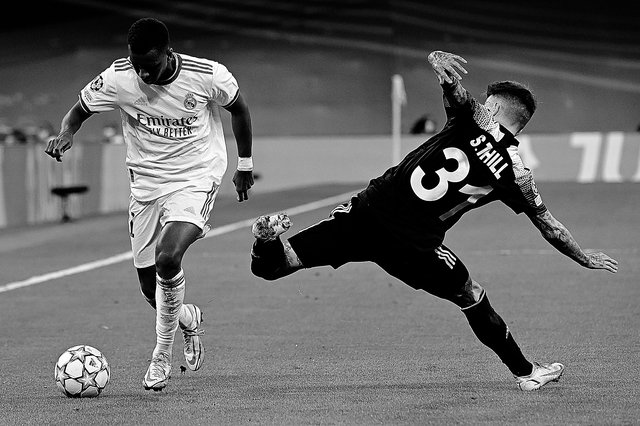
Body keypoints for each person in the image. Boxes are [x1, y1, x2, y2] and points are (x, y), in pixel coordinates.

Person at [249, 50, 618, 391]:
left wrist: (441, 67)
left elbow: (458, 95)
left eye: (489, 102)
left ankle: (265, 240)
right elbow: (549, 225)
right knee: (471, 294)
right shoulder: (516, 173)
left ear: (496, 107)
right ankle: (527, 373)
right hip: (414, 244)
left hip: (367, 212)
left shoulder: (473, 116)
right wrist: (582, 256)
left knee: (277, 265)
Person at [45, 17, 254, 391]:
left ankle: (161, 354)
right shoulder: (119, 77)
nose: (143, 73)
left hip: (195, 176)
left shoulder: (207, 75)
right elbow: (79, 109)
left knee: (167, 257)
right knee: (149, 287)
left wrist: (245, 164)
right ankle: (188, 318)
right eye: (137, 64)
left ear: (168, 53)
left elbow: (239, 109)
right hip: (145, 186)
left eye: (150, 65)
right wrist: (66, 133)